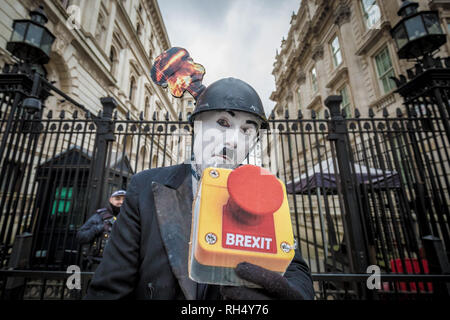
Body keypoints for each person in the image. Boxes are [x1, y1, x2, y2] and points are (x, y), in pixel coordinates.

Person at [85, 76, 315, 300]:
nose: (234, 140)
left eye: (247, 130)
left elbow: (293, 264)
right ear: (197, 127)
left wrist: (293, 292)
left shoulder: (262, 192)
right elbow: (109, 287)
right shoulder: (144, 186)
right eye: (223, 123)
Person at [77, 190, 126, 271]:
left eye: (124, 200)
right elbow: (80, 236)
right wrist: (99, 228)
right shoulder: (100, 216)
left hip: (123, 266)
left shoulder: (132, 217)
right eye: (117, 199)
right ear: (111, 200)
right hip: (99, 265)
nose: (121, 202)